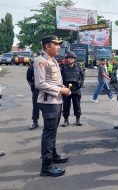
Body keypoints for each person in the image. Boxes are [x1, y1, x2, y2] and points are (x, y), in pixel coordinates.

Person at [34, 35, 71, 177]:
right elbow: (40, 84)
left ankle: (53, 155)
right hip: (48, 102)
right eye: (56, 44)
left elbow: (55, 81)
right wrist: (61, 90)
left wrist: (63, 88)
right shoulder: (41, 60)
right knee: (49, 133)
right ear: (47, 46)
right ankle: (47, 166)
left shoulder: (52, 60)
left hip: (56, 101)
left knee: (53, 131)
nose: (59, 47)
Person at [61, 51, 84, 127]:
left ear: (74, 59)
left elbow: (82, 77)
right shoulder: (63, 67)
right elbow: (60, 78)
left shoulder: (78, 67)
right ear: (67, 59)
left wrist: (80, 84)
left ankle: (78, 120)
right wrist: (62, 87)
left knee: (77, 105)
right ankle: (66, 120)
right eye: (69, 58)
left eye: (72, 58)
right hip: (66, 89)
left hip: (76, 89)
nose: (70, 59)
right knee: (66, 105)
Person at [26, 62, 40, 130]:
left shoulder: (48, 64)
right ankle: (35, 122)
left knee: (47, 107)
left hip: (47, 89)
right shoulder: (33, 66)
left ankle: (48, 123)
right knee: (35, 106)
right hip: (36, 89)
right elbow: (28, 78)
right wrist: (32, 85)